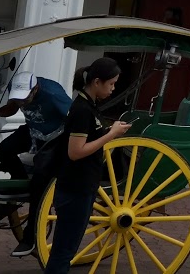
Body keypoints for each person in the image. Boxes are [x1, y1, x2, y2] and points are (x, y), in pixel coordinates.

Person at [43, 59, 131, 274]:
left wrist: (109, 131)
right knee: (64, 251)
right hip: (76, 188)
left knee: (66, 248)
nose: (113, 88)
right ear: (97, 82)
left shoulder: (88, 105)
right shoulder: (82, 110)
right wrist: (111, 135)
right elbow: (75, 152)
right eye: (111, 84)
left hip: (82, 185)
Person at [0, 71, 73, 258]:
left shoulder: (53, 94)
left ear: (35, 89)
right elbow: (12, 108)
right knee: (5, 149)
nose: (22, 102)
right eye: (19, 99)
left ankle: (30, 237)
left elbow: (75, 119)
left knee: (40, 181)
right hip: (34, 131)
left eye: (25, 99)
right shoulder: (15, 90)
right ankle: (20, 182)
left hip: (56, 137)